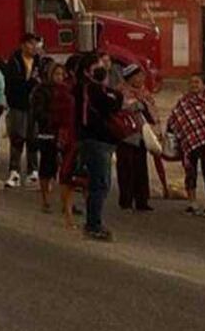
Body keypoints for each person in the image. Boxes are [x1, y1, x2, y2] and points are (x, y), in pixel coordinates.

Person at [76, 53, 123, 241]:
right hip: (96, 140)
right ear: (88, 70)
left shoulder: (94, 88)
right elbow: (112, 103)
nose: (103, 68)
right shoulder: (90, 89)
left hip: (100, 141)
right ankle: (93, 224)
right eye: (98, 66)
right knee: (100, 184)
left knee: (100, 183)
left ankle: (93, 222)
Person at [168, 74, 205, 219]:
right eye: (191, 82)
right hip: (189, 143)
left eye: (197, 82)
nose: (194, 85)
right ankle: (192, 203)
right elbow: (174, 119)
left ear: (204, 84)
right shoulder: (184, 101)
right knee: (190, 172)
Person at [31, 63, 73, 214]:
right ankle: (45, 199)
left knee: (66, 168)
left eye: (61, 74)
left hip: (64, 133)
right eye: (57, 74)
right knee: (47, 166)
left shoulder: (67, 91)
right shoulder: (42, 90)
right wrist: (52, 119)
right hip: (48, 133)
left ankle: (65, 202)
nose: (59, 77)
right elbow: (37, 112)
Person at [115, 64, 158, 212]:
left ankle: (142, 201)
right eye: (138, 76)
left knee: (141, 168)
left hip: (141, 134)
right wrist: (137, 105)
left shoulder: (144, 92)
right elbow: (121, 109)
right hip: (126, 135)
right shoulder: (120, 92)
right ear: (130, 78)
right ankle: (126, 201)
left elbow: (152, 109)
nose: (141, 79)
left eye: (142, 76)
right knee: (126, 168)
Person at [4, 33, 41, 187]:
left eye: (35, 44)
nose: (34, 47)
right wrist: (31, 82)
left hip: (34, 106)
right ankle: (14, 172)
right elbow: (14, 85)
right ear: (23, 45)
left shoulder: (39, 62)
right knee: (17, 138)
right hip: (18, 105)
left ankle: (33, 172)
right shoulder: (14, 62)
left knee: (33, 138)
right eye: (30, 43)